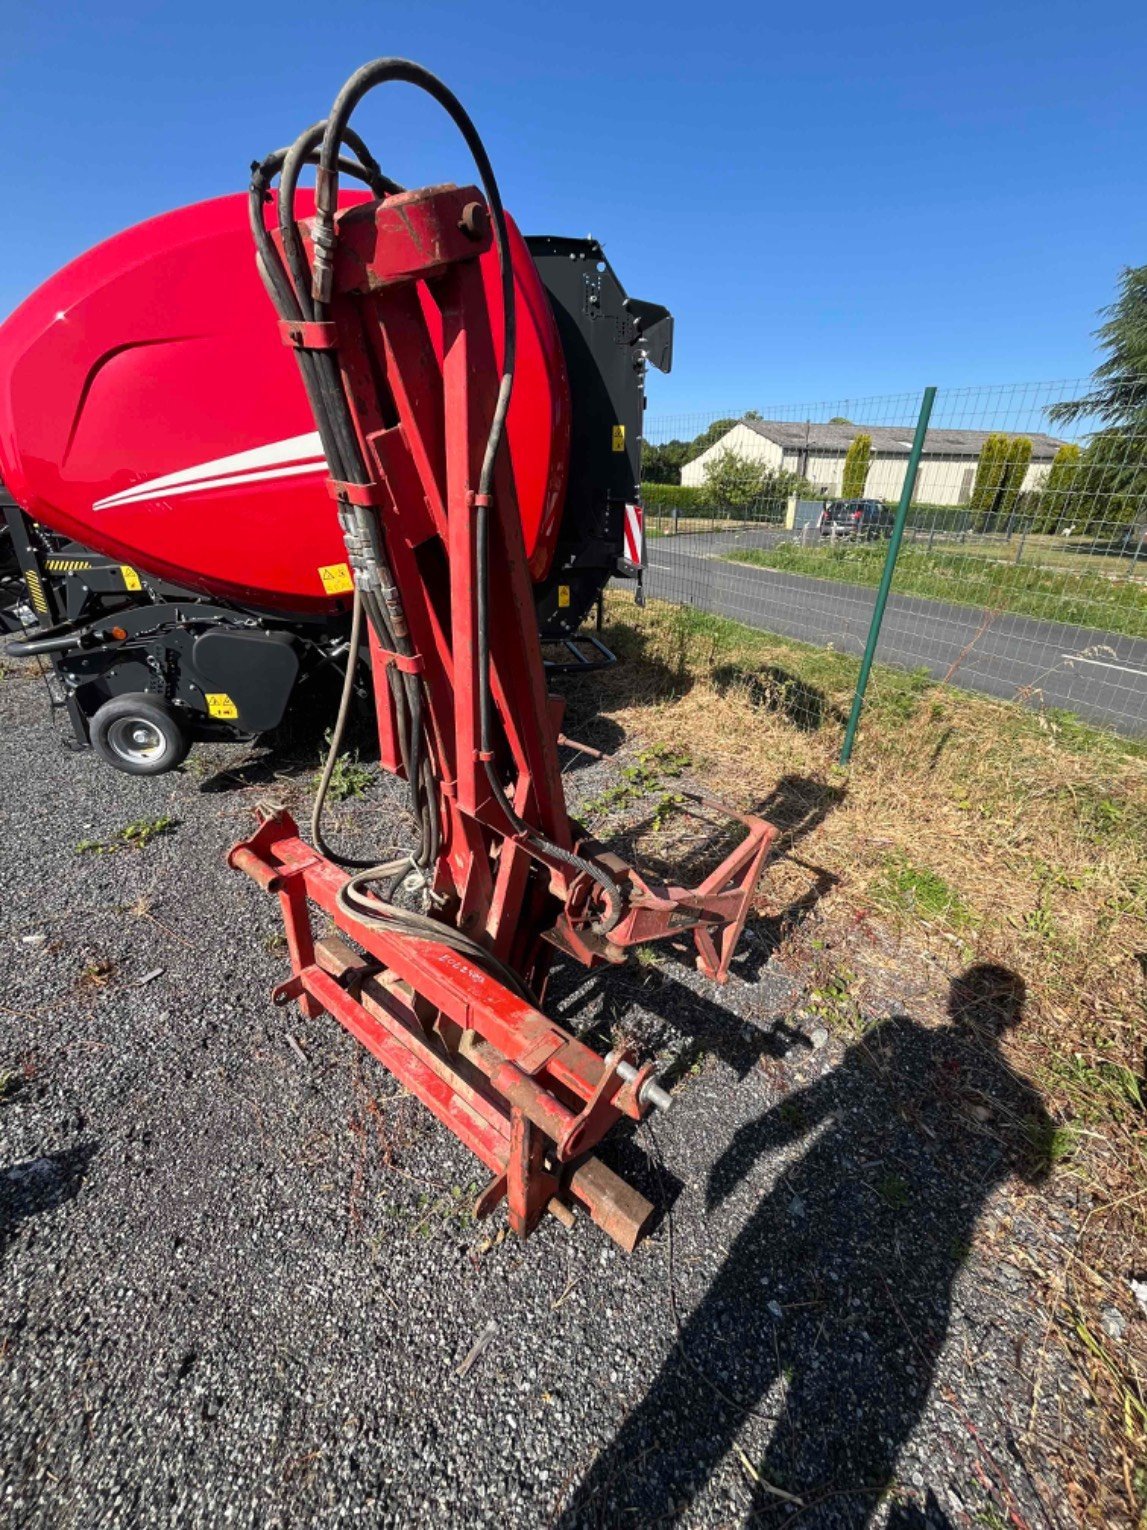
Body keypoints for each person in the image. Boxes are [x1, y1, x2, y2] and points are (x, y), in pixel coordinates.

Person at [560, 965, 1051, 1527]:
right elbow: (1034, 1170)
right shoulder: (1009, 1091)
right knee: (836, 1396)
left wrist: (754, 1140)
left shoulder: (913, 1041)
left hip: (867, 1230)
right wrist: (753, 1139)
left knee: (742, 1366)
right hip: (912, 1259)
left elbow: (828, 1097)